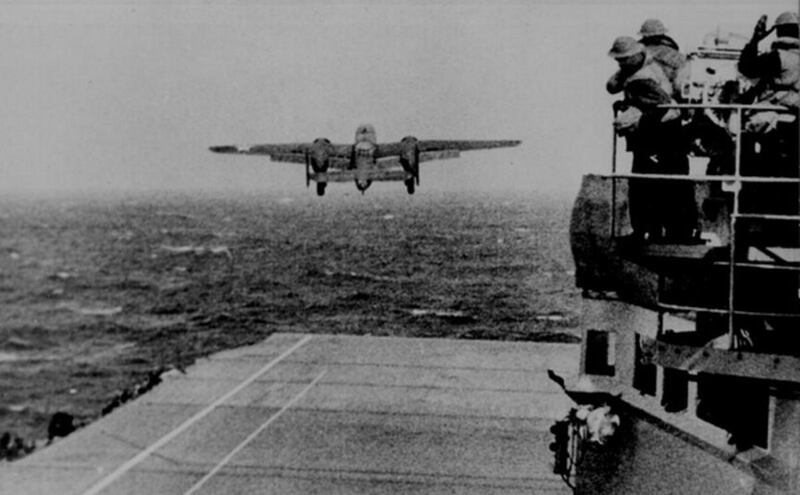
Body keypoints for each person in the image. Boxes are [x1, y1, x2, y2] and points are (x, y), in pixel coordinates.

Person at [607, 36, 697, 242]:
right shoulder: (653, 67)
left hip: (656, 137)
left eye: (623, 60)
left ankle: (647, 231)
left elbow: (666, 109)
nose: (620, 64)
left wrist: (637, 120)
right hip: (669, 136)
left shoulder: (641, 79)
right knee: (674, 184)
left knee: (643, 186)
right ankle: (680, 232)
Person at [736, 12, 799, 223]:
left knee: (762, 175)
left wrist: (756, 38)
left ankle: (757, 220)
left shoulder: (776, 57)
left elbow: (746, 66)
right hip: (794, 123)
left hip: (772, 124)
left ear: (778, 31)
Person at [638, 19, 688, 99]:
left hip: (640, 96)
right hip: (669, 97)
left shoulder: (637, 54)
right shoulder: (675, 54)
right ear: (663, 34)